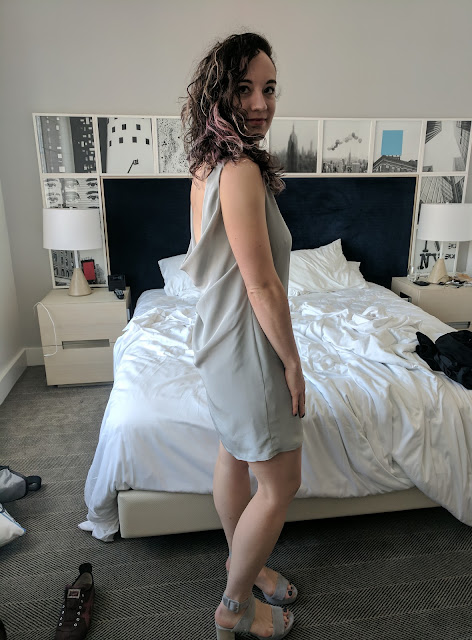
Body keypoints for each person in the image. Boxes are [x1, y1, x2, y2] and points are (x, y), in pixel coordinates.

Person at [180, 32, 305, 639]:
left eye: (270, 88)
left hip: (218, 340)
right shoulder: (241, 169)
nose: (260, 103)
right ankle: (234, 605)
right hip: (248, 345)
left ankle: (246, 567)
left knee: (232, 453)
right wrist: (293, 362)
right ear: (219, 92)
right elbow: (262, 286)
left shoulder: (206, 164)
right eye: (245, 88)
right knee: (281, 484)